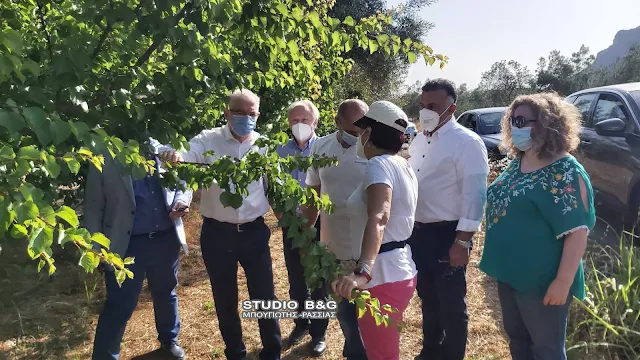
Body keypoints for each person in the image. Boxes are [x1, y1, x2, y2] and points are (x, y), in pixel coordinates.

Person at [160, 89, 281, 360]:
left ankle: (272, 351)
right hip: (218, 234)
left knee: (265, 296)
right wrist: (176, 157)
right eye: (240, 112)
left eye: (252, 114)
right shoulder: (208, 139)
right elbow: (188, 154)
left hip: (254, 232)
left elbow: (274, 188)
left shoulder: (264, 146)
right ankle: (235, 353)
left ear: (258, 116)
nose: (246, 118)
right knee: (225, 298)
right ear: (227, 113)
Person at [479, 93, 595, 360]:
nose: (515, 127)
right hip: (510, 272)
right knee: (518, 342)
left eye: (523, 120)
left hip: (542, 280)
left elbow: (577, 232)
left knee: (546, 350)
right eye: (512, 120)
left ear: (547, 124)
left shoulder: (564, 171)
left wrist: (562, 282)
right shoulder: (520, 161)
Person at [84, 138, 193, 360]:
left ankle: (169, 341)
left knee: (166, 292)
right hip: (125, 245)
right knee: (119, 304)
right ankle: (105, 356)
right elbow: (93, 207)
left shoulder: (165, 147)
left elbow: (184, 182)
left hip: (165, 239)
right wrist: (96, 249)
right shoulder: (105, 154)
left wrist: (180, 201)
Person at [407, 79, 489, 360]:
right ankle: (430, 351)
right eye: (422, 105)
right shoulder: (419, 140)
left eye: (433, 106)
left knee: (452, 304)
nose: (426, 111)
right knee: (428, 298)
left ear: (451, 108)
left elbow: (475, 194)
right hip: (419, 234)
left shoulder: (467, 142)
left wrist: (462, 240)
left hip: (448, 235)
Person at [331, 101, 419, 360]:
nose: (360, 136)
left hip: (382, 275)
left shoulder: (378, 165)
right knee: (382, 348)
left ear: (369, 134)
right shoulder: (402, 164)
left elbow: (380, 216)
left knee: (381, 354)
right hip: (398, 268)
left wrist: (363, 272)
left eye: (362, 131)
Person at [304, 99, 369, 360]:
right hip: (331, 243)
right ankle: (350, 347)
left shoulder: (371, 148)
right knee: (342, 306)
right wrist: (307, 232)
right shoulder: (320, 147)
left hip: (364, 243)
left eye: (363, 130)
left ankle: (358, 350)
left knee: (361, 309)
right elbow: (313, 192)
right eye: (353, 131)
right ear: (337, 123)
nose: (359, 137)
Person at [275, 100, 328, 356]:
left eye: (305, 120)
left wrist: (311, 221)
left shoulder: (326, 148)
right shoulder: (279, 151)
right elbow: (272, 187)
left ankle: (319, 333)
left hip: (319, 226)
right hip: (292, 226)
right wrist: (282, 215)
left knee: (318, 282)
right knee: (296, 280)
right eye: (294, 120)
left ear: (315, 122)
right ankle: (301, 323)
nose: (299, 125)